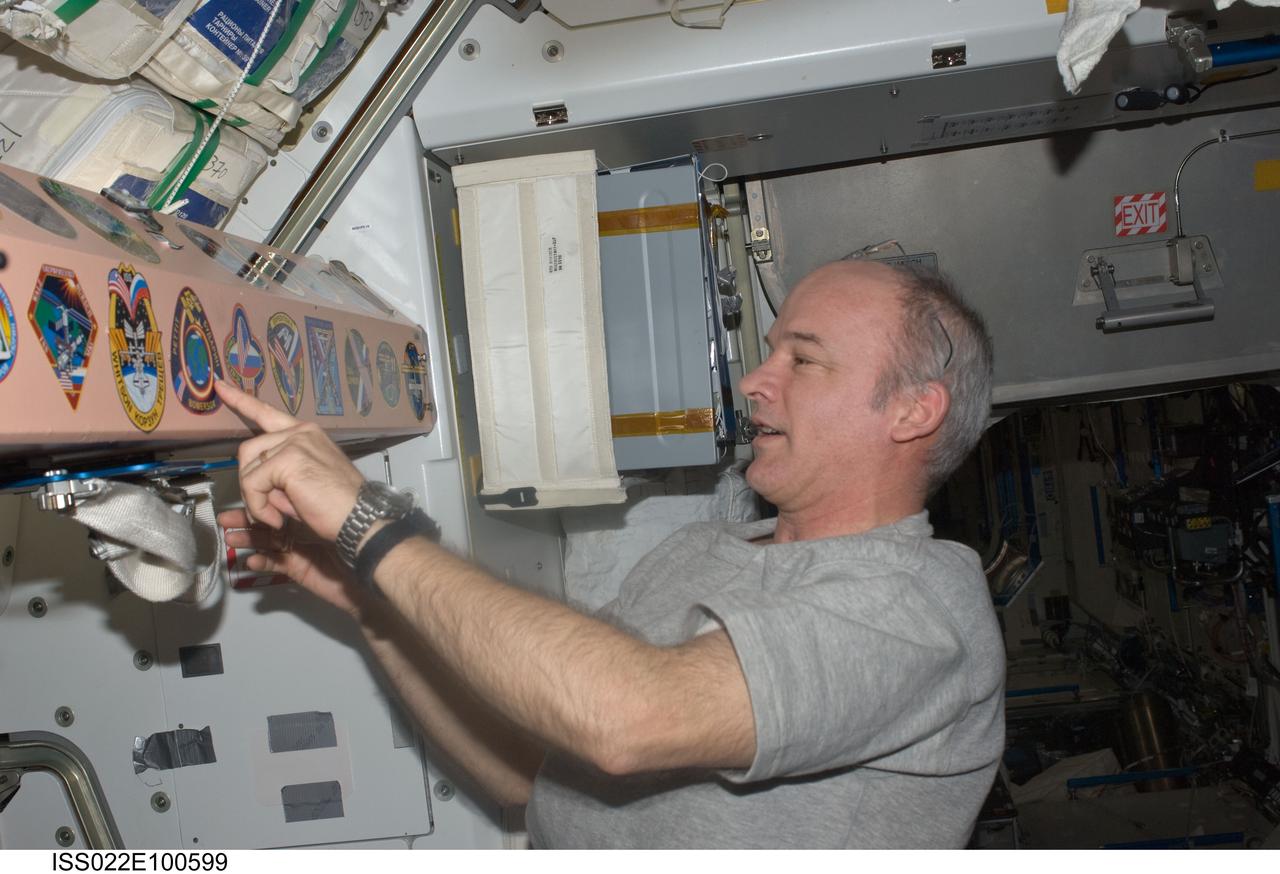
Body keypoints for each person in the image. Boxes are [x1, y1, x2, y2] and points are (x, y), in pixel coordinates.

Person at [216, 259, 1005, 848]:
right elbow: (530, 774)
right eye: (768, 352)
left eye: (802, 359)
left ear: (911, 411)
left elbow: (624, 719)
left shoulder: (921, 611)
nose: (755, 382)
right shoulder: (708, 550)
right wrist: (374, 603)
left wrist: (369, 525)